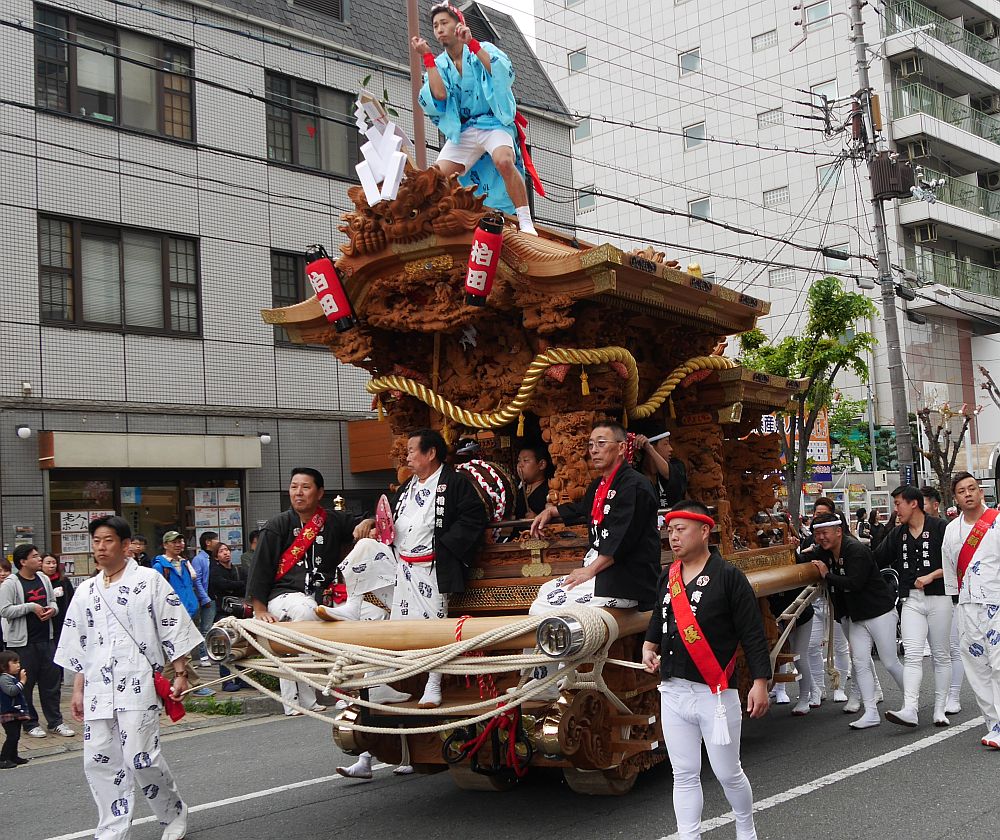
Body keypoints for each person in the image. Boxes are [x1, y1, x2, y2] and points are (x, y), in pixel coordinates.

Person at [55, 515, 201, 840]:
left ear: (125, 545)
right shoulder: (85, 591)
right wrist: (78, 689)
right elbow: (80, 644)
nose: (101, 547)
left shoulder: (149, 580)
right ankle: (112, 829)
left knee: (141, 758)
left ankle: (173, 812)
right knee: (99, 761)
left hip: (138, 682)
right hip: (97, 687)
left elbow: (172, 626)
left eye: (108, 540)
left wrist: (180, 674)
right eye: (96, 541)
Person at [643, 500, 770, 840]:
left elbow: (752, 633)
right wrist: (649, 645)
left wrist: (760, 682)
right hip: (673, 690)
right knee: (684, 773)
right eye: (670, 531)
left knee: (728, 772)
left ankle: (746, 828)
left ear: (704, 531)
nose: (673, 537)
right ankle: (689, 836)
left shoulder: (728, 577)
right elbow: (659, 615)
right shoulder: (668, 575)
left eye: (681, 530)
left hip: (715, 692)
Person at [351, 430, 489, 708]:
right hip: (400, 565)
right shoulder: (407, 487)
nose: (407, 457)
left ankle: (433, 684)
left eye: (412, 450)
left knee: (435, 627)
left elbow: (474, 518)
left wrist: (444, 548)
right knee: (365, 551)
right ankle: (352, 609)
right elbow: (389, 518)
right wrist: (373, 525)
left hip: (432, 566)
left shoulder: (455, 483)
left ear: (431, 453)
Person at [413, 3, 542, 232]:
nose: (439, 29)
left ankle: (525, 220)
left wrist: (472, 43)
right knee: (435, 177)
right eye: (435, 25)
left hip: (493, 122)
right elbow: (439, 95)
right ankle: (434, 223)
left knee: (504, 161)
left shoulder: (482, 48)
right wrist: (428, 58)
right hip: (465, 130)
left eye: (444, 23)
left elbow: (502, 73)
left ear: (458, 25)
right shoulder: (440, 63)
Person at [247, 468, 356, 715]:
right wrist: (259, 609)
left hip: (322, 596)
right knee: (304, 613)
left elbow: (361, 523)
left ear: (320, 493)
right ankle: (300, 699)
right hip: (283, 597)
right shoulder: (278, 525)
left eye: (305, 487)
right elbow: (260, 567)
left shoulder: (333, 520)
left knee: (302, 639)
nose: (298, 492)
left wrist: (368, 524)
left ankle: (324, 697)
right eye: (294, 486)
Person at [810, 512, 904, 729]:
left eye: (825, 533)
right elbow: (807, 557)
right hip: (856, 616)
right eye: (817, 534)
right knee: (860, 662)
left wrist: (826, 575)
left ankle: (911, 702)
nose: (821, 538)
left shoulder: (856, 550)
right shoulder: (825, 551)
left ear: (838, 531)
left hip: (879, 612)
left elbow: (855, 583)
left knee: (890, 662)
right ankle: (871, 712)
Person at [872, 485, 951, 727]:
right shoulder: (898, 534)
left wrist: (931, 576)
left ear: (913, 503)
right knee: (913, 654)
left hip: (939, 597)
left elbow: (955, 562)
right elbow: (876, 558)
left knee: (940, 654)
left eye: (898, 504)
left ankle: (940, 709)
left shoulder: (940, 527)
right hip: (911, 600)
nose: (895, 509)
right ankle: (910, 709)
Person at [942, 472, 1000, 748]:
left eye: (972, 488)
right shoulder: (952, 530)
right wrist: (955, 601)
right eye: (961, 491)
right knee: (977, 667)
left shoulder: (997, 521)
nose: (968, 494)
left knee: (999, 664)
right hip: (967, 604)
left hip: (997, 602)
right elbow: (950, 568)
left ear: (980, 491)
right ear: (955, 498)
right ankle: (993, 724)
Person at [0, 544, 73, 739]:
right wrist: (31, 607)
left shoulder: (43, 578)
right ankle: (30, 723)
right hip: (22, 643)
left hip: (46, 639)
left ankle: (55, 722)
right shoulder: (11, 583)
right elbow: (4, 610)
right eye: (34, 556)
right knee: (26, 684)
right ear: (23, 561)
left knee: (51, 684)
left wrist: (52, 610)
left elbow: (52, 602)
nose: (39, 559)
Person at [151, 534, 212, 697]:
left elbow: (191, 584)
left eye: (181, 541)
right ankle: (195, 684)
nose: (179, 544)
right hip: (171, 614)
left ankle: (160, 687)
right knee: (182, 652)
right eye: (174, 542)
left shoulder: (184, 563)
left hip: (188, 611)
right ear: (165, 545)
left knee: (180, 652)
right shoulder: (160, 567)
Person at [207, 542, 248, 692]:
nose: (226, 553)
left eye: (227, 550)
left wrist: (234, 585)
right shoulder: (215, 571)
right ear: (216, 556)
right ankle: (226, 681)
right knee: (223, 646)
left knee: (241, 645)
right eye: (221, 551)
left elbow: (246, 584)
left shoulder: (239, 569)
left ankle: (242, 679)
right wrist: (238, 585)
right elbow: (221, 585)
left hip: (239, 613)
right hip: (223, 613)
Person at [635, 430, 688, 511]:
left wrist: (650, 449)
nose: (671, 449)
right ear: (652, 446)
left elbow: (669, 474)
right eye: (666, 444)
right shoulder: (636, 472)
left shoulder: (677, 465)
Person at [190, 531, 218, 668]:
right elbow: (197, 581)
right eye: (216, 539)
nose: (218, 542)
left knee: (214, 627)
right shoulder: (199, 559)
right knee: (205, 628)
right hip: (208, 598)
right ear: (208, 542)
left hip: (216, 597)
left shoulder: (214, 557)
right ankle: (203, 655)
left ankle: (214, 653)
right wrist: (204, 598)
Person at [0, 649, 31, 768]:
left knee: (16, 735)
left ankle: (13, 756)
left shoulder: (11, 677)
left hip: (15, 711)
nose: (18, 665)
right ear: (4, 665)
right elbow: (12, 691)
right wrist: (22, 682)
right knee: (12, 736)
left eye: (18, 662)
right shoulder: (4, 679)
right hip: (7, 713)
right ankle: (3, 759)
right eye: (14, 662)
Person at [41, 553, 74, 650]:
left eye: (54, 563)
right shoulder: (38, 581)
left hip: (61, 622)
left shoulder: (63, 581)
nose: (52, 566)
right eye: (48, 563)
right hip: (44, 622)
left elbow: (71, 599)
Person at [513, 444, 551, 520]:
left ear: (542, 465)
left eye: (525, 460)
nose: (520, 465)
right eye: (519, 461)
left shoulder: (549, 489)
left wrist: (537, 518)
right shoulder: (518, 491)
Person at [0, 559, 11, 651]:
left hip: (9, 628)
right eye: (0, 571)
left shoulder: (14, 587)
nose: (3, 574)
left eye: (6, 571)